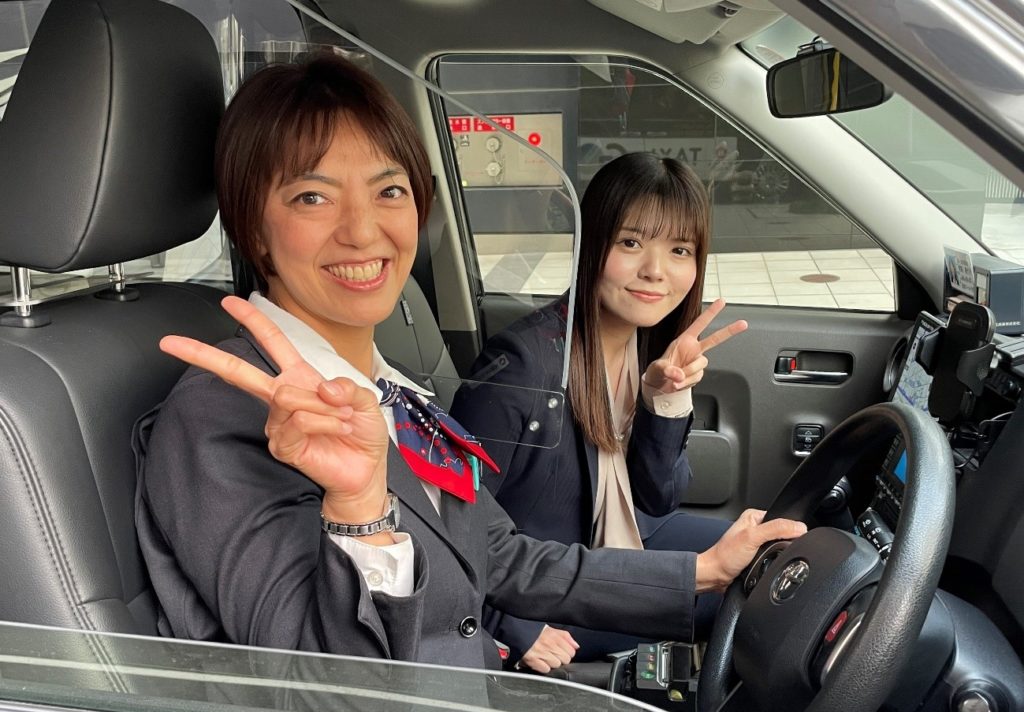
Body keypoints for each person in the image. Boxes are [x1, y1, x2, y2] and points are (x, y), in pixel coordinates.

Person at [133, 53, 805, 670]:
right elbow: (328, 695)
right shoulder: (224, 408)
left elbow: (501, 555)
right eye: (313, 196)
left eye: (389, 191)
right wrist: (359, 510)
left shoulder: (391, 391)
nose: (363, 230)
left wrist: (706, 571)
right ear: (253, 227)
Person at [450, 153, 743, 672]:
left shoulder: (644, 343)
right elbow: (445, 521)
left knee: (771, 564)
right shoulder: (523, 368)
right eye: (631, 243)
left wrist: (664, 400)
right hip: (544, 589)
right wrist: (511, 626)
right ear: (591, 243)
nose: (655, 271)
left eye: (679, 249)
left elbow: (658, 497)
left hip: (618, 543)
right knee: (751, 601)